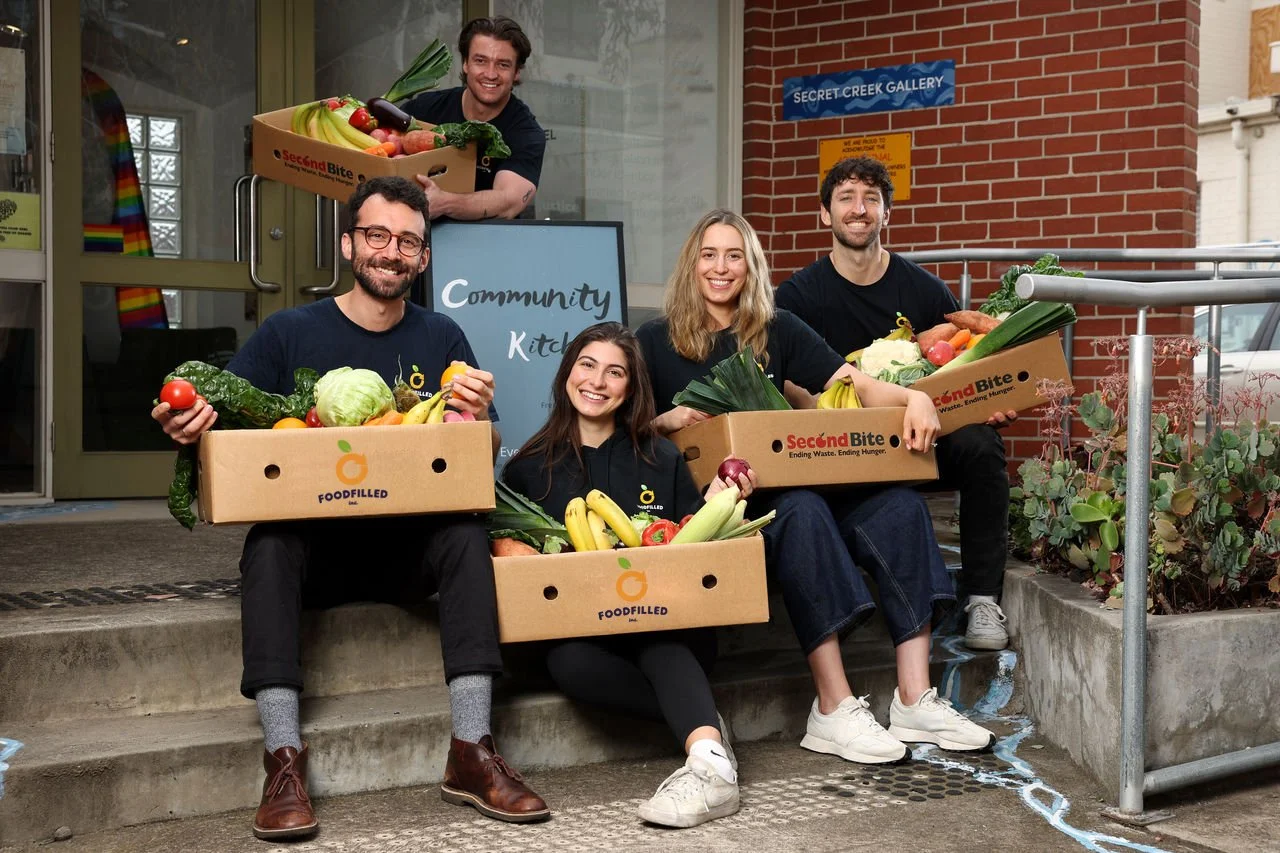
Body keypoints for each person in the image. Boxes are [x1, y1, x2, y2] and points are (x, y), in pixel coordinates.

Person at [150, 176, 549, 840]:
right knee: (268, 546)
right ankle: (283, 760)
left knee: (464, 532)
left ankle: (472, 750)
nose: (391, 252)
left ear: (423, 258)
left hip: (408, 549)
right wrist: (189, 418)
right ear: (348, 243)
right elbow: (220, 416)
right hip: (319, 552)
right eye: (377, 235)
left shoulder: (442, 336)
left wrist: (479, 419)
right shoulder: (289, 334)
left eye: (407, 242)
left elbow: (490, 446)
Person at [637, 209, 997, 765]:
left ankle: (913, 698)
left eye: (735, 255)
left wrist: (915, 398)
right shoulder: (655, 341)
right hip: (722, 509)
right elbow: (626, 428)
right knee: (803, 511)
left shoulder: (774, 328)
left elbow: (849, 380)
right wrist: (666, 422)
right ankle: (831, 707)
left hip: (793, 481)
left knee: (900, 507)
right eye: (709, 255)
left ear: (750, 265)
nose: (721, 267)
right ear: (691, 263)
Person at [502, 321, 745, 828]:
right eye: (587, 365)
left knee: (660, 642)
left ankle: (709, 771)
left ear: (631, 388)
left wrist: (719, 502)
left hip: (668, 622)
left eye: (615, 373)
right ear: (567, 372)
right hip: (582, 632)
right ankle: (705, 729)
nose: (597, 381)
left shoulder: (661, 457)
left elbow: (690, 545)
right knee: (568, 664)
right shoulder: (528, 468)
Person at [774, 157, 1017, 652]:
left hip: (918, 441)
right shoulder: (797, 296)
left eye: (871, 200)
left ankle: (981, 599)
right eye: (845, 199)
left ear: (886, 214)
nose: (858, 210)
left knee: (980, 444)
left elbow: (959, 367)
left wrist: (986, 400)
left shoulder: (924, 291)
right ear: (825, 214)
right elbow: (790, 388)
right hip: (842, 447)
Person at [402, 16, 546, 220]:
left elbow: (508, 202)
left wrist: (444, 203)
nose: (490, 74)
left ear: (516, 73)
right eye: (480, 61)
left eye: (503, 65)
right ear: (465, 64)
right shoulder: (426, 108)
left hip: (487, 245)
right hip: (416, 241)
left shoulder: (526, 133)